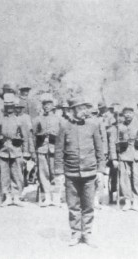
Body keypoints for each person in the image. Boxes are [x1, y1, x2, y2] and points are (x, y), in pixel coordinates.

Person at [54, 96, 105, 247]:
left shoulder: (93, 125)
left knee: (88, 206)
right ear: (72, 110)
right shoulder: (64, 126)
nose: (84, 111)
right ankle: (75, 233)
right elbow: (58, 151)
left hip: (90, 173)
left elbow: (99, 150)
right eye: (81, 108)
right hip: (71, 173)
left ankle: (87, 234)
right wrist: (59, 173)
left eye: (85, 108)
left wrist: (101, 171)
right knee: (73, 206)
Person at [109, 105, 138, 212]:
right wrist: (114, 158)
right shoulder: (118, 127)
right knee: (124, 180)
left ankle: (136, 202)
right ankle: (127, 201)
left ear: (133, 114)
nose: (128, 115)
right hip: (123, 156)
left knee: (137, 178)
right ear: (123, 115)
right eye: (125, 113)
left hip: (137, 155)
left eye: (130, 113)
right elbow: (112, 143)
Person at [0, 94, 29, 207]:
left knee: (17, 174)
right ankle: (7, 196)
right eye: (7, 106)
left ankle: (16, 196)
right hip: (3, 150)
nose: (9, 108)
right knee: (4, 175)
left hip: (16, 150)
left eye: (11, 106)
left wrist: (26, 153)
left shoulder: (20, 121)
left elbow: (26, 138)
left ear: (14, 107)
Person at [32, 94, 64, 207]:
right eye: (44, 104)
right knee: (43, 174)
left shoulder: (59, 119)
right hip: (42, 149)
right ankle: (47, 197)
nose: (46, 106)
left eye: (49, 104)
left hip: (55, 150)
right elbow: (33, 135)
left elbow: (64, 135)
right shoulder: (38, 119)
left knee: (56, 173)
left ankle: (56, 197)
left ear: (53, 105)